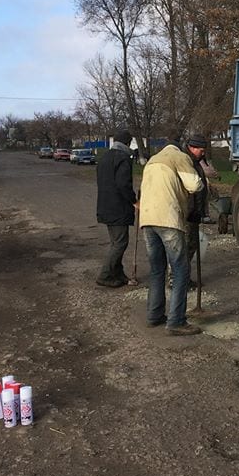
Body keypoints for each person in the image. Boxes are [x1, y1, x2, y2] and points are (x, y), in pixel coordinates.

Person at [138, 139, 205, 335]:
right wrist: (201, 182)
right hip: (168, 219)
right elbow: (194, 185)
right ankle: (176, 321)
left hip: (147, 220)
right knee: (180, 269)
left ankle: (154, 315)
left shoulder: (152, 160)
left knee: (157, 269)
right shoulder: (180, 157)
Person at [95, 129, 136, 288]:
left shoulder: (104, 157)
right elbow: (123, 184)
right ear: (127, 143)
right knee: (120, 243)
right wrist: (134, 201)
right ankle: (105, 275)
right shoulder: (123, 158)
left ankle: (118, 273)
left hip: (105, 205)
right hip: (118, 207)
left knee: (116, 242)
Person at [183, 134, 213, 284]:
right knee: (185, 246)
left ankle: (183, 277)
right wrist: (191, 211)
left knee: (192, 244)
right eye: (201, 150)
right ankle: (177, 279)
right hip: (187, 212)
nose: (203, 153)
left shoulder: (195, 162)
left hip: (194, 211)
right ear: (192, 148)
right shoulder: (186, 162)